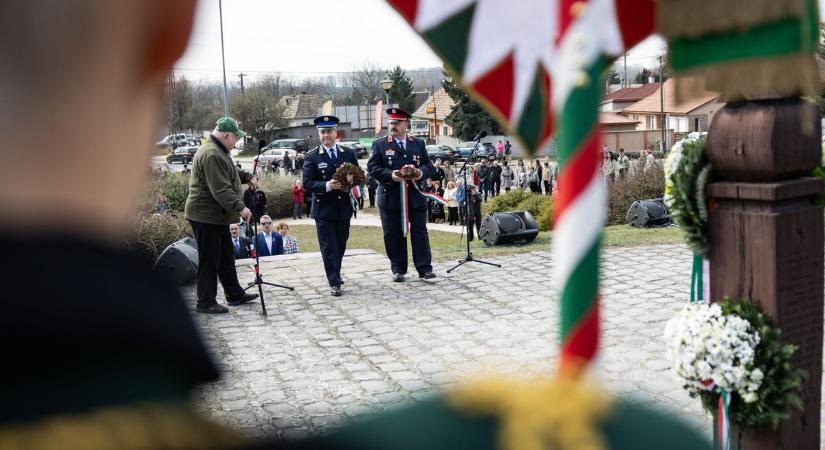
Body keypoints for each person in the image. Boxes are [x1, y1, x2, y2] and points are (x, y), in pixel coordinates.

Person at [184, 116, 259, 314]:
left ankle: (234, 294)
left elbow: (230, 173)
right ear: (226, 135)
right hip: (205, 215)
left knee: (226, 256)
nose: (237, 143)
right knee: (210, 259)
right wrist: (241, 208)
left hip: (215, 215)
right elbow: (221, 189)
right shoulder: (211, 154)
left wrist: (248, 177)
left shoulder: (219, 150)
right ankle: (205, 302)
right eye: (235, 138)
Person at [367, 107, 436, 282]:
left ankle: (424, 268)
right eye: (391, 123)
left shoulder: (418, 143)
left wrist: (420, 173)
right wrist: (391, 175)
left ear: (406, 124)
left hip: (415, 196)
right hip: (390, 196)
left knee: (420, 232)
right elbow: (372, 168)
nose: (393, 126)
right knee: (393, 233)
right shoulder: (380, 144)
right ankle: (398, 269)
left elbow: (429, 166)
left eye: (397, 123)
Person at [302, 115, 359, 296]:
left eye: (329, 132)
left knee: (341, 244)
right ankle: (333, 281)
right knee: (329, 247)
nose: (326, 135)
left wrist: (351, 183)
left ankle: (336, 272)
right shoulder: (312, 157)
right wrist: (327, 185)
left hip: (343, 209)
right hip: (323, 210)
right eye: (323, 132)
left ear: (336, 133)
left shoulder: (348, 153)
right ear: (319, 134)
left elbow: (358, 176)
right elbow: (307, 183)